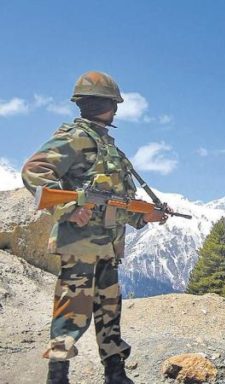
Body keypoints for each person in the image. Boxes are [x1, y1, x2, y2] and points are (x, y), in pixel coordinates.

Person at [21, 71, 167, 384]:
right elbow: (34, 171)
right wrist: (69, 207)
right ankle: (57, 376)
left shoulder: (107, 146)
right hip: (80, 245)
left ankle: (115, 372)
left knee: (109, 310)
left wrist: (143, 216)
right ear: (111, 104)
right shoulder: (75, 137)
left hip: (107, 246)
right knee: (72, 311)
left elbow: (117, 203)